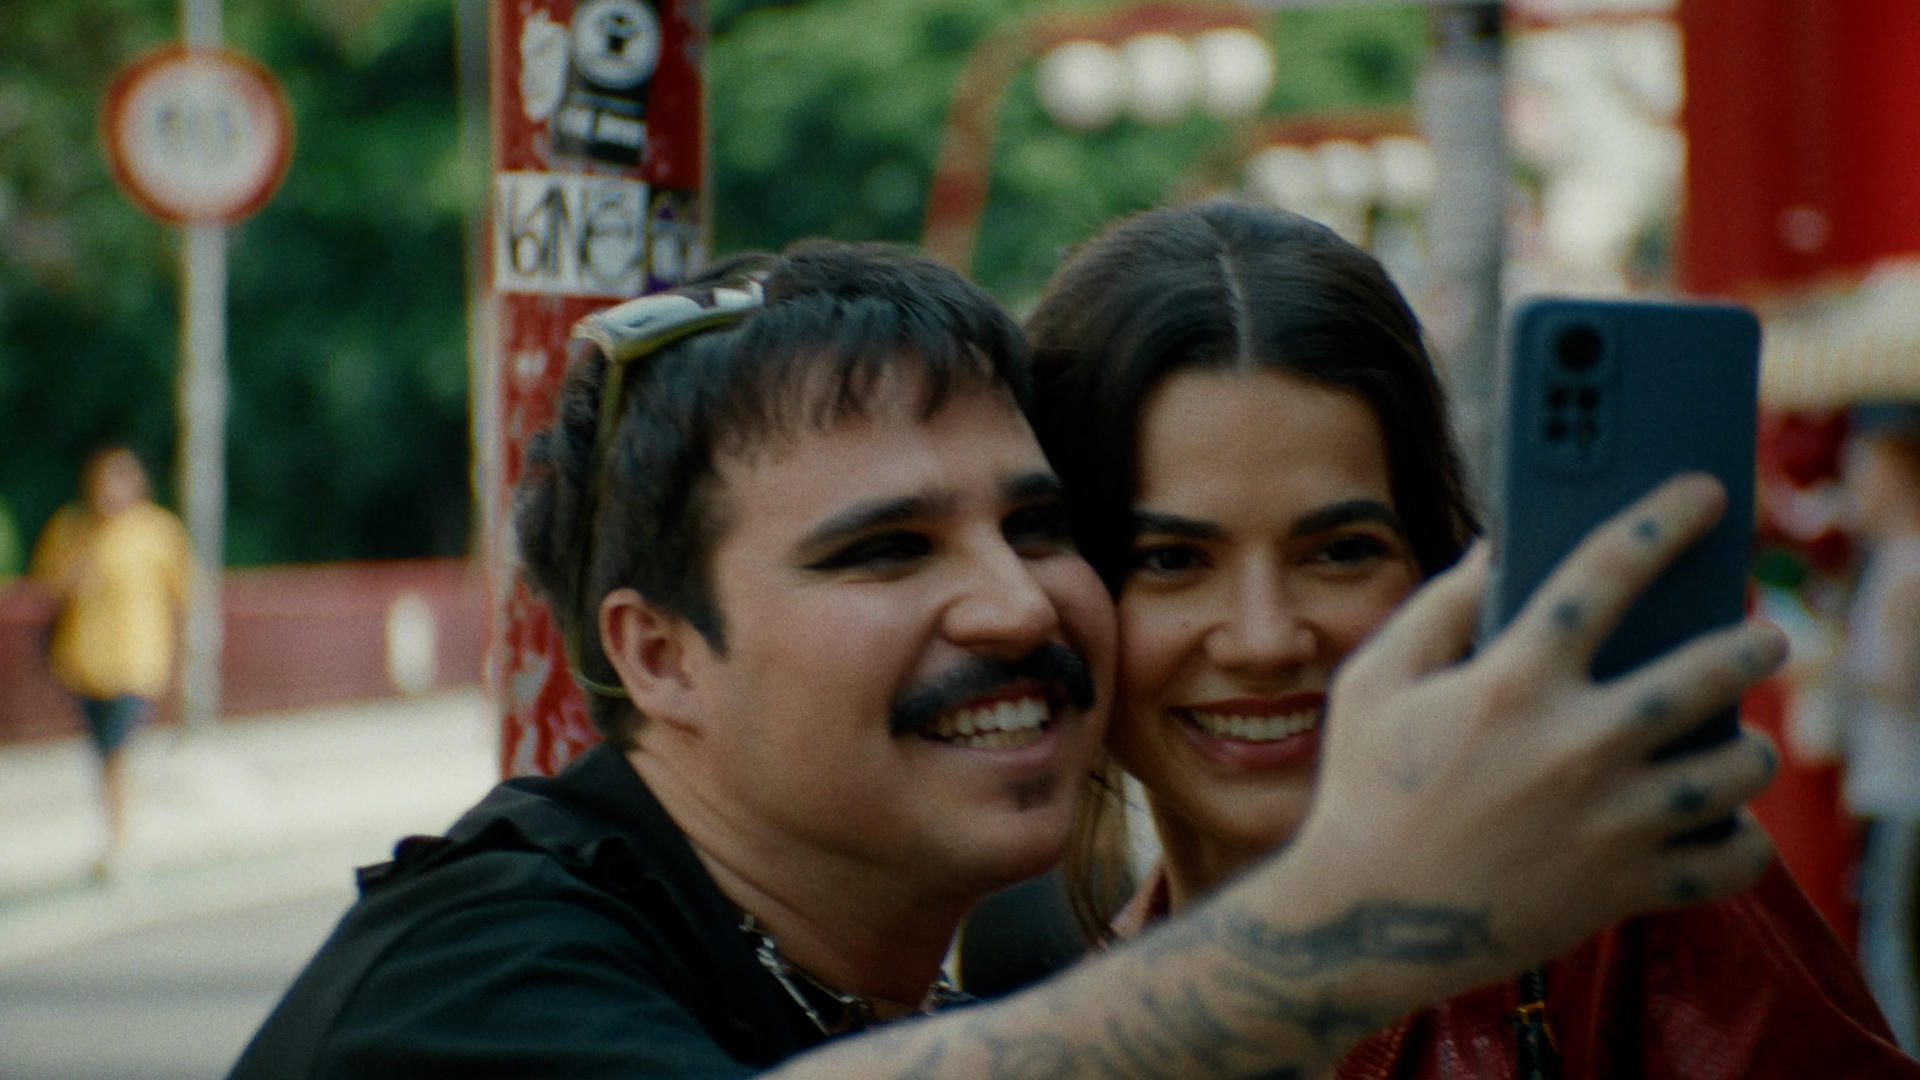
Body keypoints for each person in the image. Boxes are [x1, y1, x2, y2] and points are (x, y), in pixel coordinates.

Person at [232, 241, 1788, 1080]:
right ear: (662, 655)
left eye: (1041, 528)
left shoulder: (940, 1001)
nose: (1016, 607)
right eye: (885, 550)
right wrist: (1364, 934)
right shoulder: (472, 966)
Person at [1010, 200, 1913, 1076]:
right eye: (1170, 560)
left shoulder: (1628, 898)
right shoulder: (1068, 1037)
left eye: (1341, 552)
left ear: (1435, 564)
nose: (1265, 639)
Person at [28, 446, 192, 878]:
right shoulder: (73, 528)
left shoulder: (157, 531)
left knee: (117, 748)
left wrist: (183, 664)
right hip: (84, 663)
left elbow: (182, 594)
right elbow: (48, 586)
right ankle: (116, 832)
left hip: (137, 660)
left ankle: (120, 842)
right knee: (103, 752)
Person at [1837, 402, 1920, 1053]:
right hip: (1889, 781)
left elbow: (1901, 684)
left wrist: (1829, 665)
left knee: (1891, 945)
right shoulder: (1892, 561)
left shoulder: (1907, 570)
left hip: (1904, 785)